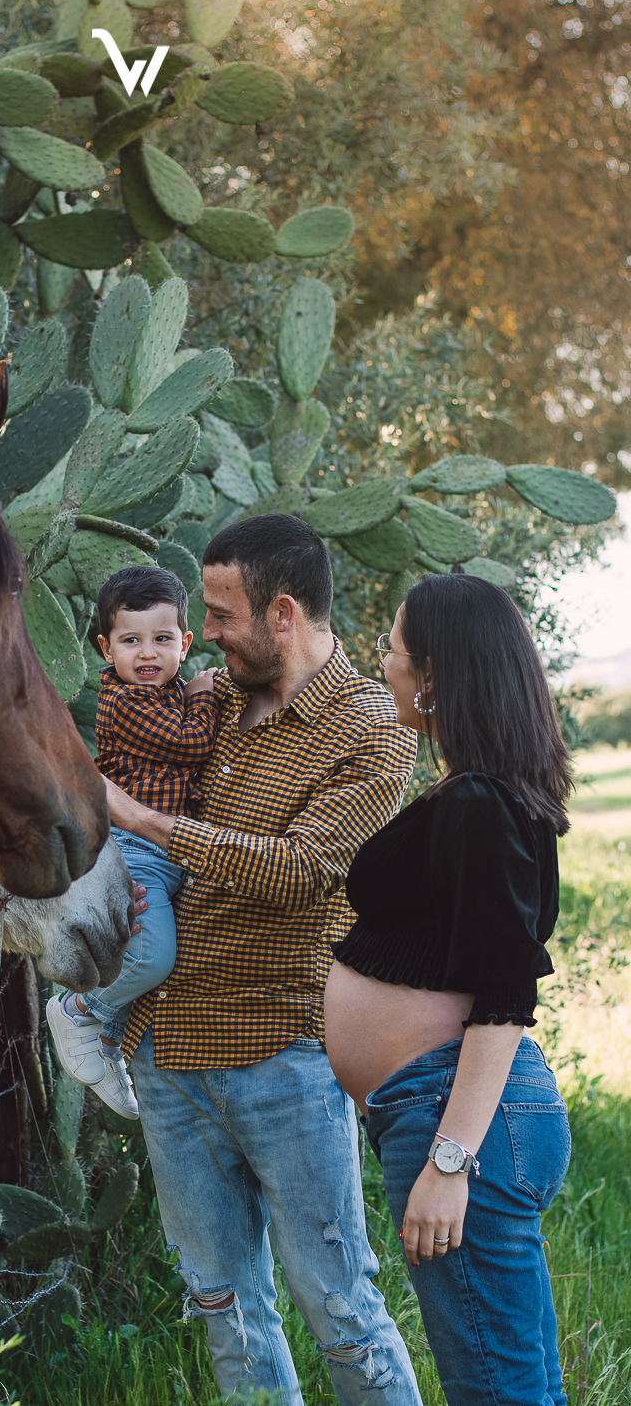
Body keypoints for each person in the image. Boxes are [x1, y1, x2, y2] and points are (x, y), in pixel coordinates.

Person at [102, 514, 424, 1406]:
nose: (202, 634)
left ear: (282, 612)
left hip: (281, 1054)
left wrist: (143, 820)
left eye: (219, 612)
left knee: (341, 1308)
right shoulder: (212, 699)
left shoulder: (370, 729)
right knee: (225, 1308)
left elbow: (304, 872)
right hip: (167, 1052)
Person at [326, 574, 573, 1406]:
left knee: (496, 1393)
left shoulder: (477, 802)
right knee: (520, 1386)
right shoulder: (481, 793)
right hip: (459, 1110)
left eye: (392, 649)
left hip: (460, 1116)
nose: (382, 663)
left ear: (432, 674)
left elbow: (504, 992)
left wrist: (448, 1161)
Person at [48, 566, 218, 1119]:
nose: (148, 653)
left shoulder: (164, 692)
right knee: (151, 957)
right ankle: (79, 1011)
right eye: (131, 640)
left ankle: (107, 1037)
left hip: (170, 852)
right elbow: (190, 743)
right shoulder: (123, 700)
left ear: (184, 642)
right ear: (106, 647)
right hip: (134, 847)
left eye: (162, 639)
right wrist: (205, 694)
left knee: (152, 957)